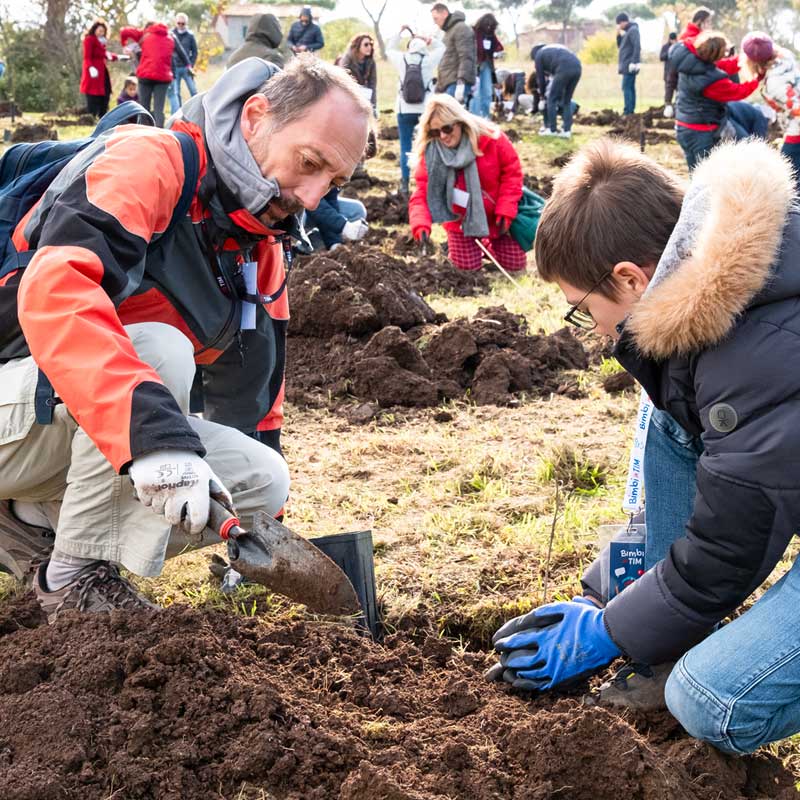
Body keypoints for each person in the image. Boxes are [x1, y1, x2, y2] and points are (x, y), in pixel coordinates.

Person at [0, 56, 371, 620]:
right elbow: (59, 292)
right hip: (16, 397)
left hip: (56, 427)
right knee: (158, 350)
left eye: (335, 182)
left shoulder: (260, 250)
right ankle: (73, 581)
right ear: (255, 116)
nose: (316, 196)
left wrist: (263, 547)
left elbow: (254, 402)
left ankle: (33, 533)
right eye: (310, 162)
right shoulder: (150, 161)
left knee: (261, 484)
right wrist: (156, 439)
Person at [491, 132, 800, 756]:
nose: (593, 330)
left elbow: (726, 554)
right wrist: (609, 597)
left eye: (582, 309)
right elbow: (707, 490)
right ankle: (659, 637)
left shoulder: (759, 360)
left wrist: (608, 632)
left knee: (710, 699)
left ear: (630, 278)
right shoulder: (728, 302)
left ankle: (672, 652)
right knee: (668, 419)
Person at [408, 94, 524, 273]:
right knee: (467, 270)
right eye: (435, 132)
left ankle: (484, 244)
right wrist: (420, 223)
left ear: (460, 122)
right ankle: (469, 247)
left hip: (495, 217)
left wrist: (506, 210)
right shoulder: (432, 153)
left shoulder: (491, 138)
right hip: (459, 222)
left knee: (514, 265)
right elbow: (423, 191)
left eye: (447, 128)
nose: (443, 136)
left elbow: (512, 174)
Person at [671, 31, 766, 170]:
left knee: (696, 173)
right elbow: (739, 91)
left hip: (683, 127)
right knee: (705, 176)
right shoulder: (711, 82)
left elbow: (722, 66)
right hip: (702, 132)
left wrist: (746, 59)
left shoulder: (691, 61)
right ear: (715, 55)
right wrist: (758, 78)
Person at [386, 28, 445, 195]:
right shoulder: (429, 60)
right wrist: (429, 38)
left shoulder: (401, 59)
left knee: (405, 146)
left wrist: (399, 32)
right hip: (425, 110)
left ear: (410, 47)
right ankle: (429, 184)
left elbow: (389, 48)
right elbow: (442, 48)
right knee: (428, 146)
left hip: (403, 110)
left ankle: (405, 185)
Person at [119, 21, 175, 127]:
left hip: (146, 75)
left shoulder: (145, 34)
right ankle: (159, 133)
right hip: (163, 76)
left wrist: (124, 44)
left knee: (144, 107)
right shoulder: (170, 37)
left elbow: (124, 31)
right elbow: (176, 55)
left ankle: (144, 132)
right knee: (159, 109)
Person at [762, 42, 800, 193]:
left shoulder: (774, 82)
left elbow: (797, 107)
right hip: (793, 127)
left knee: (787, 179)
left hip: (796, 130)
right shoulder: (785, 57)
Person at [531, 43, 582, 139]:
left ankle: (552, 129)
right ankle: (567, 131)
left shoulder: (539, 56)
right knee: (567, 100)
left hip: (563, 68)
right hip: (578, 67)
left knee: (551, 99)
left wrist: (542, 97)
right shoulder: (553, 49)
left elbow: (541, 79)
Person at [430, 3, 476, 106]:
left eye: (436, 18)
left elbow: (466, 56)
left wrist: (461, 83)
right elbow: (447, 59)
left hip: (456, 83)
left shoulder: (461, 28)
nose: (435, 22)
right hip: (447, 83)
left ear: (445, 13)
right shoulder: (448, 32)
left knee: (452, 119)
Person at [80, 19, 121, 118]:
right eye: (99, 31)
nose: (101, 33)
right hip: (93, 72)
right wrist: (90, 68)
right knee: (93, 94)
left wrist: (118, 57)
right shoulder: (89, 40)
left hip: (102, 71)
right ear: (94, 30)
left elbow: (105, 54)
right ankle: (92, 115)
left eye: (103, 31)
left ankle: (103, 115)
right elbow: (87, 57)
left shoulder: (102, 43)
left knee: (105, 93)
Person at [469, 13, 503, 119]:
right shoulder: (473, 32)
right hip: (475, 66)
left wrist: (498, 52)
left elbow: (499, 46)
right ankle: (475, 118)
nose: (488, 27)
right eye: (487, 25)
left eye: (491, 25)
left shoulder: (491, 35)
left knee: (487, 92)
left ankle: (486, 117)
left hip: (487, 65)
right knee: (476, 92)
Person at [168, 12, 198, 115]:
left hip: (186, 67)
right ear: (176, 23)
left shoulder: (190, 35)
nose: (180, 25)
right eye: (179, 23)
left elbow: (194, 51)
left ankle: (197, 110)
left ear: (186, 23)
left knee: (193, 90)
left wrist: (191, 64)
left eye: (183, 23)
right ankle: (178, 115)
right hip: (174, 67)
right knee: (176, 93)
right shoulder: (171, 34)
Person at [339, 33, 377, 114]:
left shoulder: (371, 61)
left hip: (365, 95)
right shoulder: (347, 60)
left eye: (371, 44)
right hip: (349, 97)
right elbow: (343, 83)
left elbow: (372, 84)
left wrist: (373, 106)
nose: (369, 47)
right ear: (358, 46)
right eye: (366, 44)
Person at [615, 12, 641, 116]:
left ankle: (628, 111)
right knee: (629, 87)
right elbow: (620, 46)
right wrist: (618, 35)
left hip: (629, 64)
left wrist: (634, 62)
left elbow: (637, 46)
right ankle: (630, 110)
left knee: (626, 86)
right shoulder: (627, 32)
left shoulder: (633, 30)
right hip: (626, 64)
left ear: (623, 22)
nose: (619, 26)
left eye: (619, 24)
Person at [660, 31, 678, 117]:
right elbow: (661, 57)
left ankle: (677, 108)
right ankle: (667, 107)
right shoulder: (665, 47)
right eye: (672, 40)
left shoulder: (678, 47)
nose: (674, 41)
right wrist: (669, 53)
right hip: (668, 72)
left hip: (677, 73)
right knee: (668, 91)